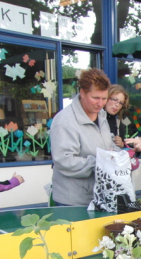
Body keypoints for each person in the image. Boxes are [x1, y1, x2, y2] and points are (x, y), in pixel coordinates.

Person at [50, 68, 113, 207]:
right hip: (73, 201)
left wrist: (118, 156)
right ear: (83, 93)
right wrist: (100, 162)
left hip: (100, 195)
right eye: (95, 98)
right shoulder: (64, 121)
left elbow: (105, 144)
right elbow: (64, 160)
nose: (100, 103)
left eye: (104, 98)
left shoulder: (101, 115)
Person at [105, 84, 135, 148]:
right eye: (115, 100)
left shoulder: (118, 124)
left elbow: (124, 148)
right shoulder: (94, 118)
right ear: (106, 97)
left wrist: (121, 144)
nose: (117, 105)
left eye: (121, 103)